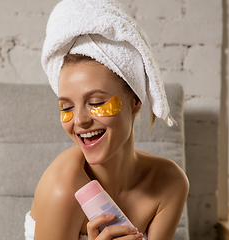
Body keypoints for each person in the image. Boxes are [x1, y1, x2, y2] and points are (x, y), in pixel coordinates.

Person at [25, 0, 189, 240]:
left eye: (96, 102)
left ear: (135, 100)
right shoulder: (63, 187)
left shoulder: (170, 183)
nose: (79, 120)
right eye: (67, 107)